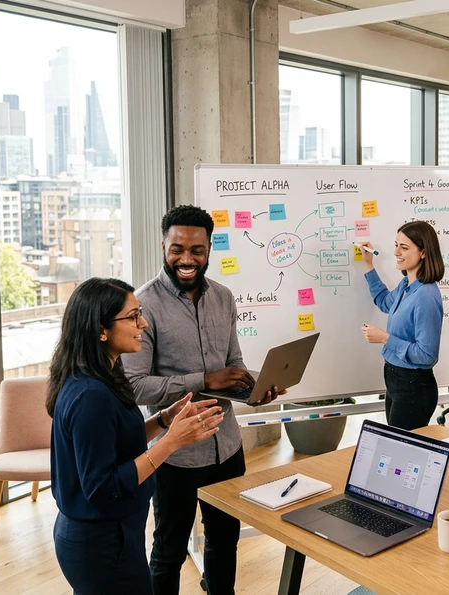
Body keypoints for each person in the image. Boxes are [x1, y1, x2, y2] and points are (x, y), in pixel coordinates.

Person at [122, 205, 282, 595]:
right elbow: (134, 386)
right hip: (175, 454)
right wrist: (203, 380)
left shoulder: (224, 297)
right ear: (164, 247)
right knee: (169, 551)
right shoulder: (143, 305)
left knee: (225, 539)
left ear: (209, 249)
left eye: (197, 250)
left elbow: (234, 362)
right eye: (177, 249)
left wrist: (253, 391)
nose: (187, 259)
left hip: (227, 447)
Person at [49, 278, 225, 594]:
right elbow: (103, 488)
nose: (143, 323)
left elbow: (116, 443)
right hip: (99, 544)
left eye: (140, 313)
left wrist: (164, 420)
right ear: (101, 330)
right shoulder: (91, 396)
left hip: (112, 537)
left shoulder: (103, 376)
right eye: (133, 317)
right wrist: (171, 442)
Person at [357, 221, 445, 430]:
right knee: (397, 443)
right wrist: (369, 264)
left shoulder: (426, 296)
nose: (396, 252)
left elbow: (427, 355)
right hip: (395, 378)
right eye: (396, 245)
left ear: (423, 252)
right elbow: (384, 302)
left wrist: (385, 338)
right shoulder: (406, 285)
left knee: (400, 445)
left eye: (404, 247)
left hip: (413, 385)